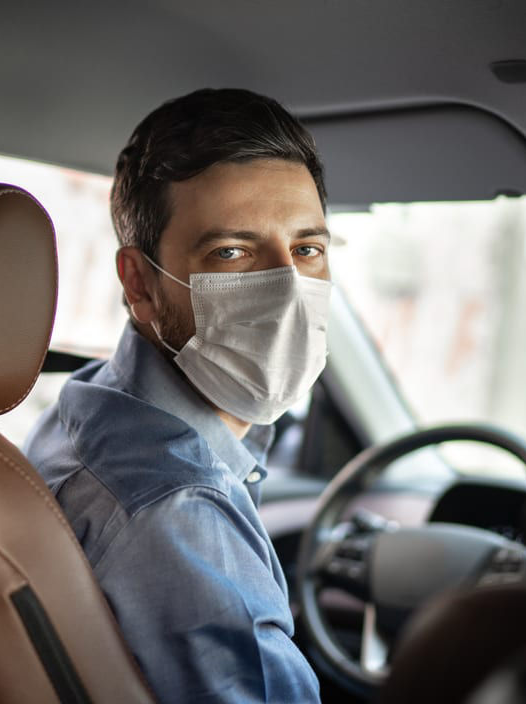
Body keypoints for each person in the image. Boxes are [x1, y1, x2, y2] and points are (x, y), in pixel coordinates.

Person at [24, 87, 330, 702]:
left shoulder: (92, 401)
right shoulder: (180, 509)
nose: (287, 288)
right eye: (231, 252)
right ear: (139, 284)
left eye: (306, 249)